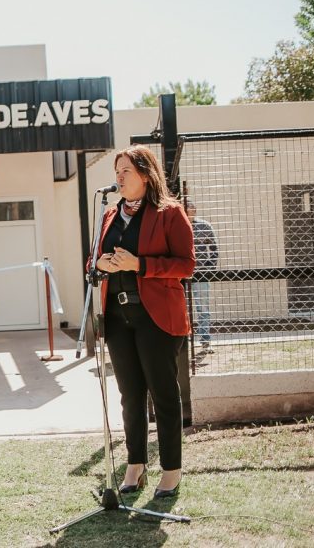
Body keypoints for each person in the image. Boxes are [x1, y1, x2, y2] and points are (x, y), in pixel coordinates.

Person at [92, 145, 194, 498]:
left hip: (156, 318)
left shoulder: (169, 213)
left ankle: (171, 470)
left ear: (146, 175)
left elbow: (186, 265)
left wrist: (139, 265)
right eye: (116, 172)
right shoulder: (109, 215)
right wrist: (100, 264)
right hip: (118, 318)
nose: (119, 178)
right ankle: (135, 465)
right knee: (130, 396)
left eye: (126, 172)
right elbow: (93, 260)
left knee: (163, 395)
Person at [185, 200, 219, 353]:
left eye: (190, 208)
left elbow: (214, 249)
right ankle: (184, 341)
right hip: (182, 274)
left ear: (195, 210)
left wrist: (209, 269)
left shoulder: (204, 226)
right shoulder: (177, 227)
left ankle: (205, 341)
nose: (188, 210)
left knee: (203, 308)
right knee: (183, 308)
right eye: (185, 208)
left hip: (201, 274)